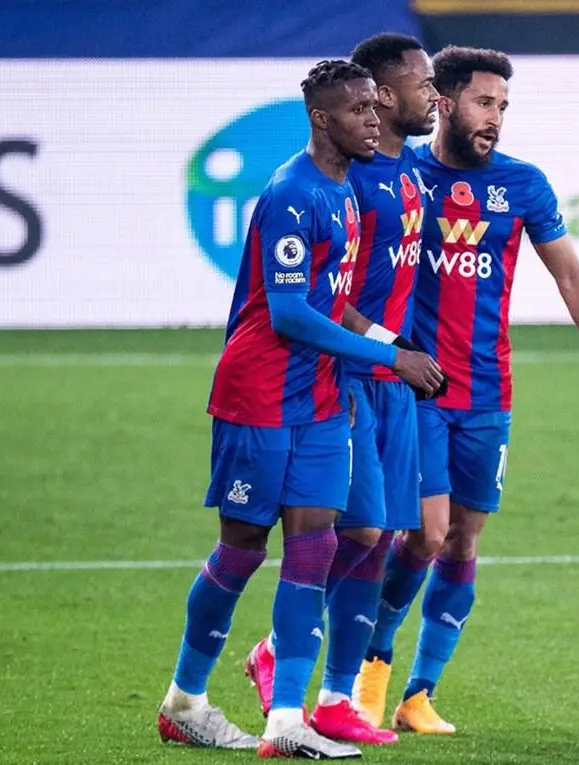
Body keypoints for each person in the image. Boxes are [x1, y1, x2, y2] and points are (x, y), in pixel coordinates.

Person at [353, 45, 579, 735]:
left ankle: (419, 693)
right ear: (444, 102)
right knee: (424, 533)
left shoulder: (523, 184)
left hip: (489, 392)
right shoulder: (402, 175)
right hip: (419, 387)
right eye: (484, 103)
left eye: (504, 107)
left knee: (463, 541)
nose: (496, 119)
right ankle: (370, 670)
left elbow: (570, 277)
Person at [156, 58, 442, 760]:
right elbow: (288, 313)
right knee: (242, 549)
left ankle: (286, 719)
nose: (373, 120)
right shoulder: (292, 193)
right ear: (321, 119)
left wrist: (391, 344)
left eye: (375, 108)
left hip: (319, 399)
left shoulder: (345, 192)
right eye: (358, 111)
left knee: (316, 548)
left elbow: (331, 302)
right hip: (258, 395)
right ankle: (184, 700)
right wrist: (388, 359)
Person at [242, 33, 441, 747]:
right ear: (381, 97)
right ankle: (285, 662)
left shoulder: (408, 167)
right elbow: (322, 297)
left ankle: (335, 696)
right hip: (350, 375)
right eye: (423, 83)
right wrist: (385, 350)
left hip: (392, 376)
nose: (434, 95)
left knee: (379, 535)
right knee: (352, 531)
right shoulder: (345, 180)